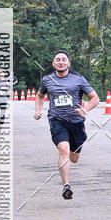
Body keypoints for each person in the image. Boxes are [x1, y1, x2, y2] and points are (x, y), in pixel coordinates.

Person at [35, 50, 99, 199]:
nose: (61, 62)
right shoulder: (47, 80)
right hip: (57, 121)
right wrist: (37, 110)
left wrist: (85, 109)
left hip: (76, 122)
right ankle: (66, 186)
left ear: (68, 63)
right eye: (57, 59)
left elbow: (95, 98)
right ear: (53, 63)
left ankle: (73, 154)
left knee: (74, 158)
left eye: (64, 59)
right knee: (63, 148)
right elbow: (40, 95)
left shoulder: (78, 79)